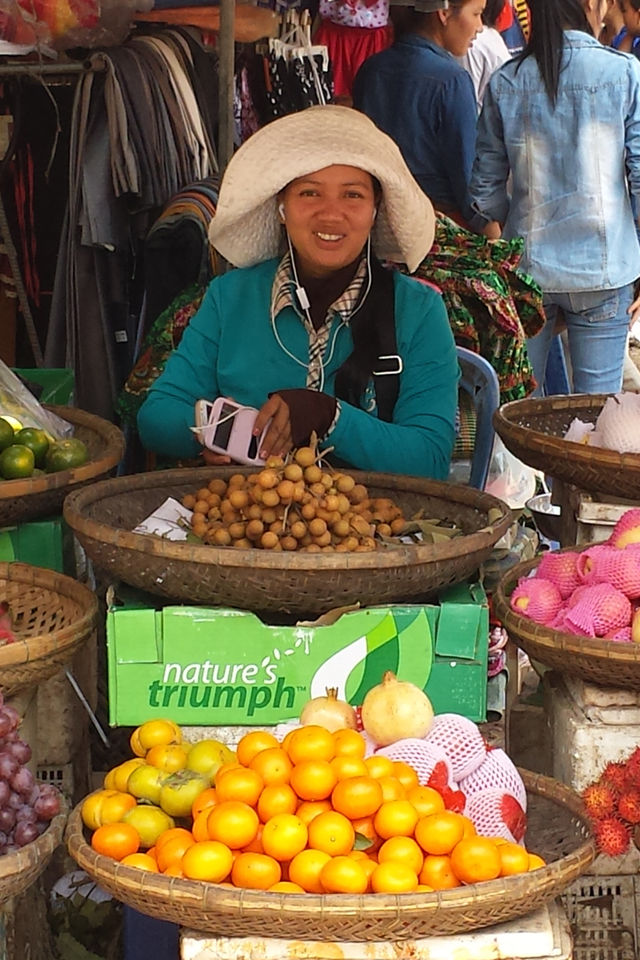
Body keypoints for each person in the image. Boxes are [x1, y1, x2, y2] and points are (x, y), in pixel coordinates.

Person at [137, 105, 459, 479]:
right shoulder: (230, 297)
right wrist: (219, 430)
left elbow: (430, 459)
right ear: (282, 208)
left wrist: (328, 416)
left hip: (374, 528)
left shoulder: (418, 310)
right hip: (246, 525)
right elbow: (155, 416)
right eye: (310, 193)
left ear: (375, 211)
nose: (331, 214)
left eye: (352, 195)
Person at [470, 0, 640, 395]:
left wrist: (510, 227)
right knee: (598, 415)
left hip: (529, 271)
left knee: (520, 414)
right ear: (590, 4)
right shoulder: (625, 72)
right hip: (604, 270)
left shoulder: (507, 79)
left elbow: (483, 190)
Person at [352, 0, 499, 235]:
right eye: (477, 14)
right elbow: (469, 182)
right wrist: (492, 232)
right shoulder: (451, 80)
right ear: (443, 13)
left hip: (381, 226)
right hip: (437, 230)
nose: (480, 27)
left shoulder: (371, 70)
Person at [458, 0, 511, 110]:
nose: (479, 27)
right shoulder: (491, 37)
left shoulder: (474, 41)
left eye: (477, 13)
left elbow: (468, 103)